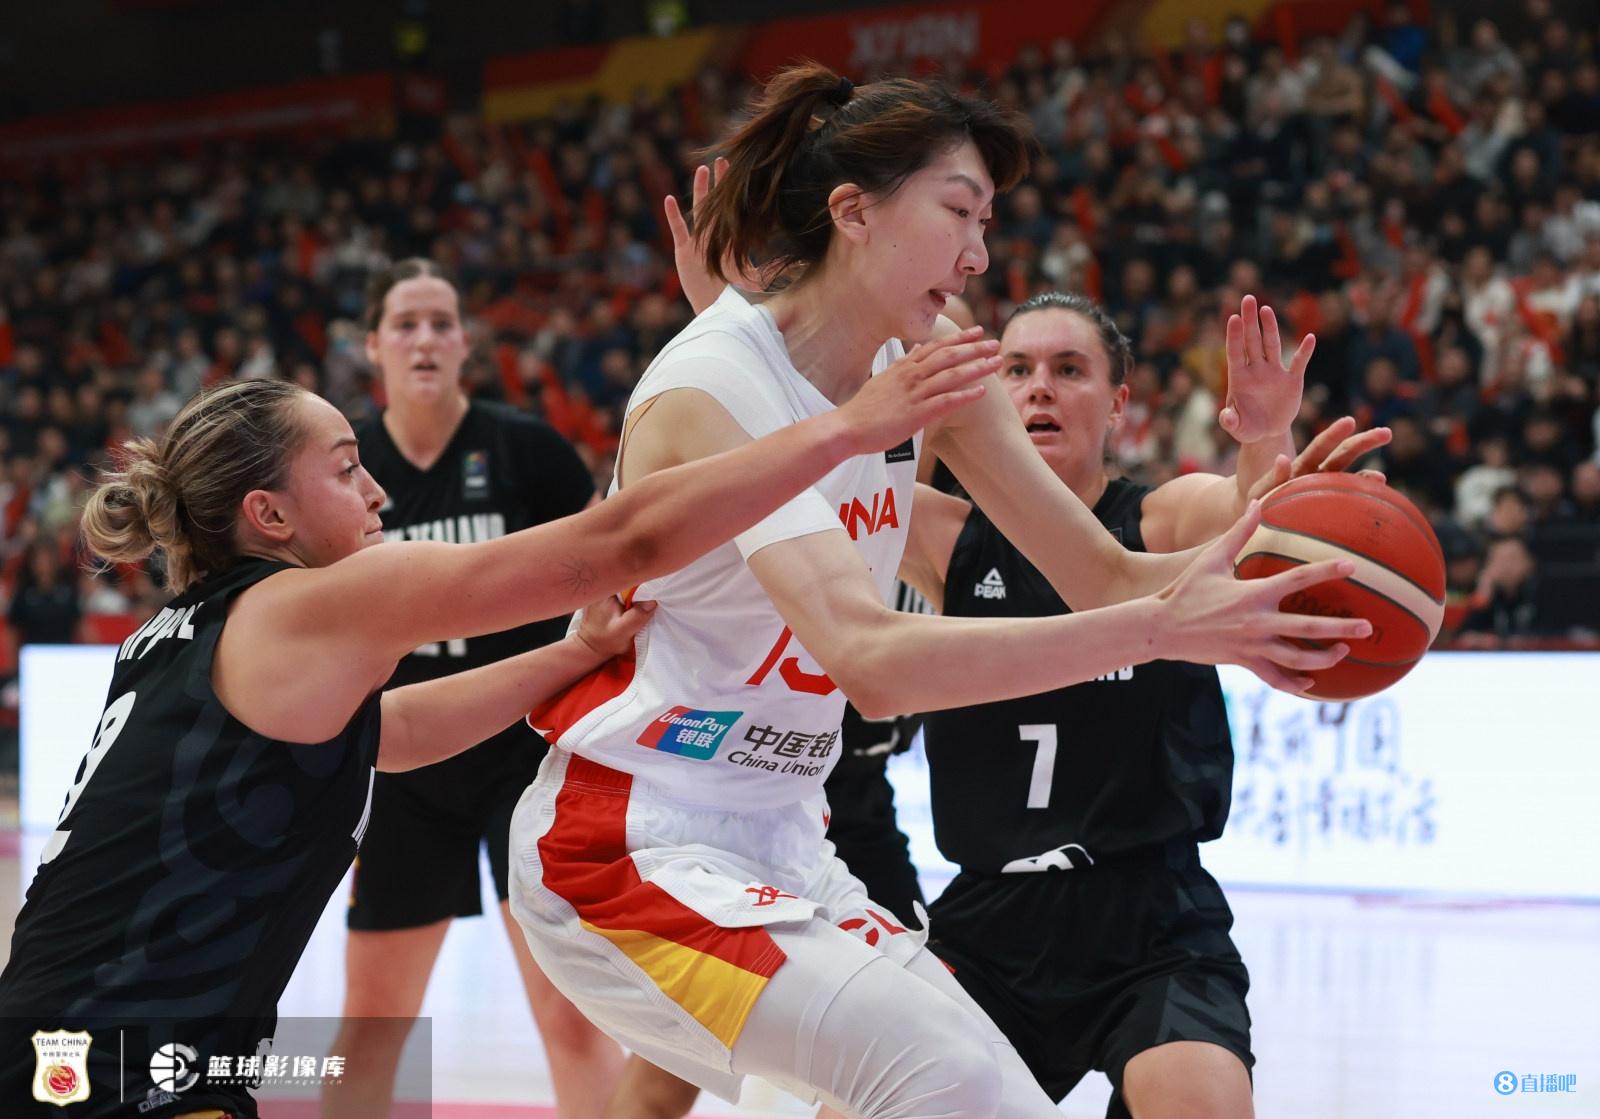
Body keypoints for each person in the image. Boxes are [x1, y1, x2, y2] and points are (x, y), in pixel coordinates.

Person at [507, 64, 1370, 1119]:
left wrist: (1262, 556)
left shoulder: (929, 361)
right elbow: (869, 661)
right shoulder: (718, 382)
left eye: (986, 222)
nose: (978, 253)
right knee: (939, 1083)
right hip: (632, 839)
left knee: (993, 1098)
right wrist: (1161, 624)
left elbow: (1100, 575)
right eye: (959, 213)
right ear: (853, 213)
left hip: (789, 837)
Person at [0, 336, 987, 1119]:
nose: (378, 491)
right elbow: (621, 541)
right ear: (269, 514)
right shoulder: (311, 605)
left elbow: (389, 733)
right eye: (346, 470)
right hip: (113, 1068)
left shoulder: (187, 631)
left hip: (74, 1045)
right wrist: (846, 430)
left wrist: (569, 655)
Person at [911, 293, 1385, 1119]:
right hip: (989, 920)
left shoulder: (1160, 520)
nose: (1039, 387)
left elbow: (1250, 519)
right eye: (1016, 370)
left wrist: (1265, 438)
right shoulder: (949, 541)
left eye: (1069, 369)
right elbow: (843, 491)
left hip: (1151, 917)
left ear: (1118, 404)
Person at [322, 259, 619, 1119]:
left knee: (569, 1016)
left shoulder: (526, 449)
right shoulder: (340, 469)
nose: (425, 339)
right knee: (373, 1024)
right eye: (405, 323)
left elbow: (606, 573)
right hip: (401, 766)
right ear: (372, 345)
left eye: (441, 323)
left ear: (466, 344)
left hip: (527, 762)